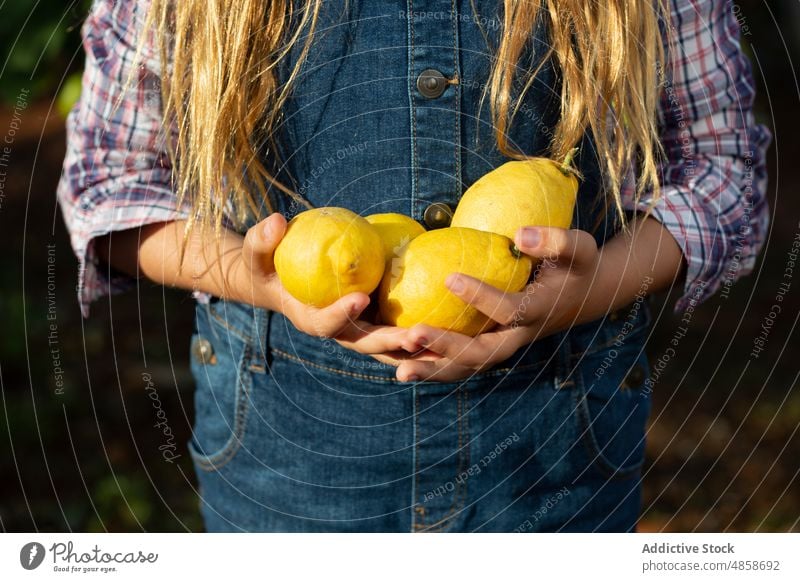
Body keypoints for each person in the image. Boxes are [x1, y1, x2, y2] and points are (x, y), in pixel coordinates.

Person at [57, 0, 770, 532]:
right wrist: (262, 283)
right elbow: (111, 186)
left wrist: (588, 291)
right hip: (290, 458)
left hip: (555, 451)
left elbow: (722, 169)